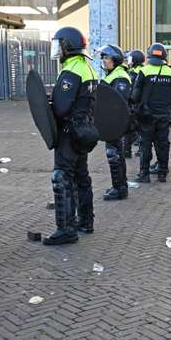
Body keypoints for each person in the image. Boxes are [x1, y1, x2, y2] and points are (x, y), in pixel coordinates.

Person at [44, 26, 98, 244]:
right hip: (84, 131)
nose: (57, 49)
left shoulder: (71, 71)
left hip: (69, 132)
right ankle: (85, 221)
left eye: (59, 44)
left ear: (67, 46)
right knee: (81, 177)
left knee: (62, 177)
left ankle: (65, 229)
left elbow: (61, 107)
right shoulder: (88, 68)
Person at [132, 43, 171, 183]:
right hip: (164, 114)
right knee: (162, 143)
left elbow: (135, 94)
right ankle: (162, 173)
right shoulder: (170, 72)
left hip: (147, 115)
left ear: (149, 55)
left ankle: (144, 174)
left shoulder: (144, 71)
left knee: (145, 144)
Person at [98, 44, 132, 200]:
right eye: (103, 58)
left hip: (115, 125)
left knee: (114, 155)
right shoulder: (112, 75)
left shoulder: (120, 77)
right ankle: (120, 186)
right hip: (109, 123)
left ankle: (119, 189)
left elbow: (118, 104)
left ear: (115, 60)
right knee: (116, 155)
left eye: (107, 58)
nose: (104, 61)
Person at [124, 49, 145, 159]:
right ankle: (141, 150)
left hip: (134, 105)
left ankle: (126, 151)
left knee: (128, 129)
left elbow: (130, 90)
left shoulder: (132, 73)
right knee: (142, 129)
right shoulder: (144, 70)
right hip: (143, 105)